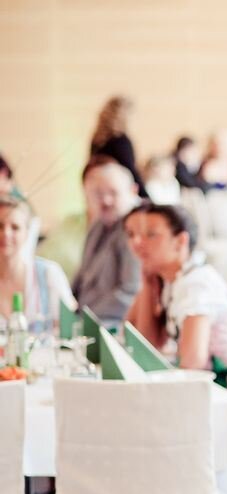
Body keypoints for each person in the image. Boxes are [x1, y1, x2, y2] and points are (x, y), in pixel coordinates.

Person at [124, 204, 227, 401]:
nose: (137, 242)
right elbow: (145, 343)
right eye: (133, 235)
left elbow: (192, 364)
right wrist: (148, 284)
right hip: (205, 389)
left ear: (180, 241)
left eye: (151, 235)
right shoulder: (173, 281)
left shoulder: (197, 284)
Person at [71, 156, 141, 324]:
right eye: (98, 194)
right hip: (82, 317)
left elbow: (129, 291)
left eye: (113, 193)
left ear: (133, 191)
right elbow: (81, 276)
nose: (105, 201)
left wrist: (85, 318)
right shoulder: (98, 224)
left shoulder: (136, 230)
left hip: (111, 321)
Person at [0, 195, 75, 327]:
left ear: (27, 233)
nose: (6, 233)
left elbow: (69, 328)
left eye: (15, 227)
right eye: (0, 226)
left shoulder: (49, 274)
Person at [89, 96, 147, 198]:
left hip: (98, 191)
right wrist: (146, 197)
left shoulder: (97, 140)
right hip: (117, 192)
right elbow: (130, 171)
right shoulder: (121, 141)